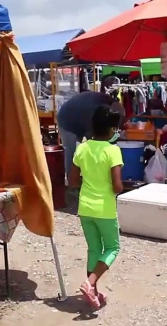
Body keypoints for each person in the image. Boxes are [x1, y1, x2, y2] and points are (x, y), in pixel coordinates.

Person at [68, 105, 124, 310]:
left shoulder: (81, 148)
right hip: (105, 210)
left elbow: (72, 181)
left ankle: (93, 291)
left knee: (94, 249)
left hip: (85, 208)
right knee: (112, 247)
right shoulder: (113, 150)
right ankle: (89, 283)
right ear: (112, 129)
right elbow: (117, 186)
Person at [57, 91, 124, 182]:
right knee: (71, 151)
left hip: (78, 117)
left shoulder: (106, 102)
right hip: (67, 119)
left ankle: (83, 177)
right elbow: (94, 134)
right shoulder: (99, 110)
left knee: (85, 151)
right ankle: (71, 182)